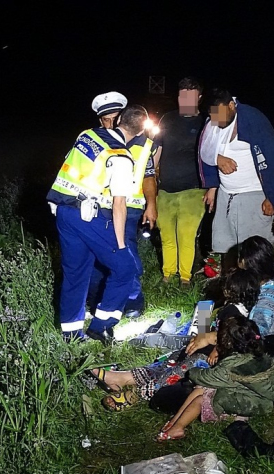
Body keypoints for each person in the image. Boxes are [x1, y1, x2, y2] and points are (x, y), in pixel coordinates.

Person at [86, 268, 260, 411]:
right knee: (166, 365)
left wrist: (216, 349)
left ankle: (138, 394)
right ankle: (121, 378)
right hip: (198, 349)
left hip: (202, 359)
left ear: (234, 290)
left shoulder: (232, 313)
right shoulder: (239, 310)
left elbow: (229, 337)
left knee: (171, 374)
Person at [47, 99, 147, 344]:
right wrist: (121, 244)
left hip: (63, 210)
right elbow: (119, 204)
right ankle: (101, 324)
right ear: (141, 131)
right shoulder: (121, 156)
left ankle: (70, 333)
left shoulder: (88, 135)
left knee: (75, 273)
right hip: (87, 216)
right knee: (125, 268)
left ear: (119, 119)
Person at [199, 88, 274, 273]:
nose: (215, 119)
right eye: (211, 115)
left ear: (231, 105)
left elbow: (273, 159)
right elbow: (206, 152)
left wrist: (271, 196)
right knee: (228, 250)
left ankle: (258, 293)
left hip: (253, 195)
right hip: (227, 196)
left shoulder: (253, 120)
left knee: (254, 254)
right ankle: (231, 290)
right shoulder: (213, 124)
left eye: (218, 113)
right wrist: (213, 186)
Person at [87, 93, 158, 318]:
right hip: (99, 209)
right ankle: (96, 300)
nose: (111, 123)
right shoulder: (95, 140)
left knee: (126, 254)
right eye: (105, 119)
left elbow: (149, 176)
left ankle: (133, 301)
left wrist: (152, 204)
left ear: (123, 118)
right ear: (100, 121)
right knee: (96, 258)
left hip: (129, 210)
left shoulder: (143, 144)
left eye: (115, 118)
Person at [155, 315, 274, 442]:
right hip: (250, 392)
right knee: (201, 389)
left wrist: (192, 372)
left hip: (257, 402)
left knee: (201, 399)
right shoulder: (254, 353)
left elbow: (207, 377)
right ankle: (175, 421)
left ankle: (178, 428)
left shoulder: (233, 364)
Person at [152, 77, 208, 287]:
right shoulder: (167, 118)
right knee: (166, 235)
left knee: (186, 235)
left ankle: (185, 278)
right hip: (165, 190)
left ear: (199, 98)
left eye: (190, 96)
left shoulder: (207, 122)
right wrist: (149, 177)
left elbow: (213, 154)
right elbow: (157, 150)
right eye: (182, 95)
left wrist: (212, 188)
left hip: (193, 190)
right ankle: (167, 275)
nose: (185, 100)